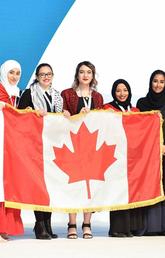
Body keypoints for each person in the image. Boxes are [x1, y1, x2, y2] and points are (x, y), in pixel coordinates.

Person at [18, 63, 63, 239]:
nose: (46, 77)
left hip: (52, 145)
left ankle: (48, 224)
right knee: (39, 185)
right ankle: (39, 224)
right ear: (37, 76)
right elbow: (19, 116)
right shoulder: (29, 93)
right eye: (42, 74)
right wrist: (31, 112)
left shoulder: (57, 97)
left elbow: (59, 121)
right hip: (34, 146)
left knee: (50, 186)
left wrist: (65, 115)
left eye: (49, 74)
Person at [61, 61, 103, 239]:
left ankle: (87, 223)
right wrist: (65, 114)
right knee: (73, 185)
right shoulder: (67, 94)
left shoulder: (98, 97)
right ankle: (71, 223)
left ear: (93, 76)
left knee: (90, 186)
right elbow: (60, 116)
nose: (85, 75)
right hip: (72, 145)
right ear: (76, 75)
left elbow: (103, 121)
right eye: (82, 72)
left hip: (91, 148)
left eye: (89, 72)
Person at [103, 79, 144, 237]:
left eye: (125, 90)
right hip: (115, 156)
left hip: (132, 158)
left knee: (131, 191)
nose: (122, 94)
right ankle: (117, 229)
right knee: (117, 191)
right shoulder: (107, 109)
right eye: (118, 90)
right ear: (114, 92)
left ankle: (131, 228)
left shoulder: (135, 110)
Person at [136, 69, 165, 235]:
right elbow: (140, 130)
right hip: (149, 153)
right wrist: (152, 146)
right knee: (151, 184)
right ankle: (151, 227)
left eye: (162, 81)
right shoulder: (143, 103)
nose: (158, 84)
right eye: (155, 81)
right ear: (150, 82)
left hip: (164, 150)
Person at [0, 59, 24, 241]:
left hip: (10, 144)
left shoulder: (17, 94)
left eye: (17, 73)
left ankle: (5, 227)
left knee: (9, 182)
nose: (14, 77)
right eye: (11, 72)